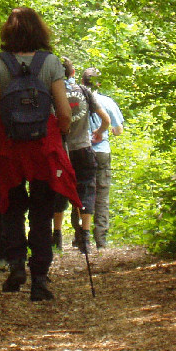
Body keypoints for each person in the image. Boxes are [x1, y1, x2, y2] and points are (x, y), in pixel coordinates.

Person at [0, 8, 79, 301]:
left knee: (10, 205)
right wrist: (62, 136)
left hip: (8, 147)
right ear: (40, 31)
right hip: (42, 147)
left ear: (7, 32)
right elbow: (63, 113)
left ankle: (17, 265)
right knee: (42, 212)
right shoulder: (50, 63)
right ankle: (40, 280)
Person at [56, 58, 108, 255]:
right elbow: (106, 119)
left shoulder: (54, 93)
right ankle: (85, 238)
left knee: (59, 189)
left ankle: (57, 237)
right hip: (84, 148)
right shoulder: (84, 91)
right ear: (73, 72)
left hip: (62, 150)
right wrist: (100, 132)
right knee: (86, 188)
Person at [81, 67, 124, 249]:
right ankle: (101, 238)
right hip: (102, 151)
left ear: (83, 82)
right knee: (102, 194)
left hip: (82, 150)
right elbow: (118, 130)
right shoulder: (107, 102)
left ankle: (82, 236)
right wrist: (106, 131)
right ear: (99, 83)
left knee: (82, 191)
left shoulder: (78, 100)